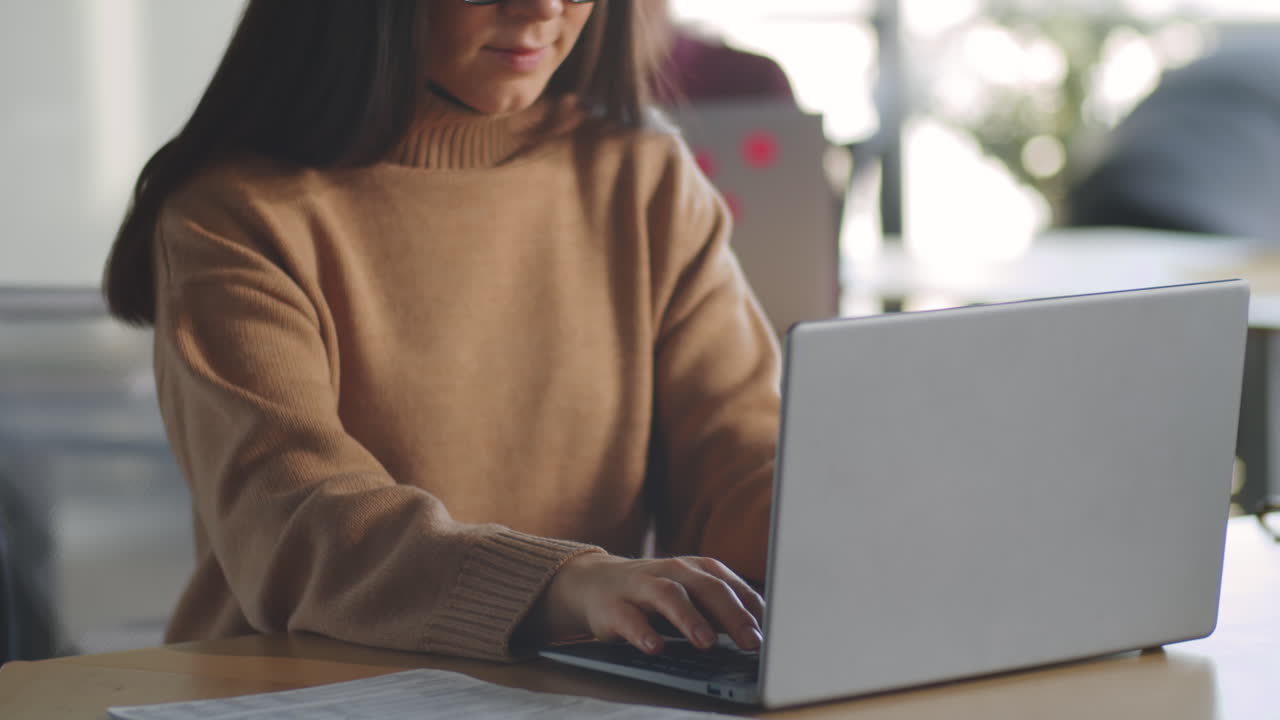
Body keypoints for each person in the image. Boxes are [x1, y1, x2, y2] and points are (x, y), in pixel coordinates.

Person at [101, 0, 779, 662]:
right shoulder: (235, 214)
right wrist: (561, 584)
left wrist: (831, 519)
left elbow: (736, 459)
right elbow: (298, 522)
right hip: (294, 693)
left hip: (570, 694)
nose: (543, 9)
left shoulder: (643, 178)